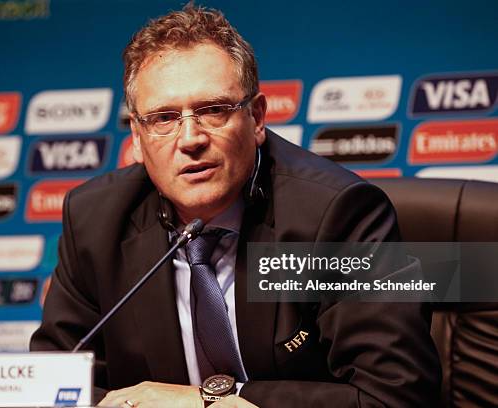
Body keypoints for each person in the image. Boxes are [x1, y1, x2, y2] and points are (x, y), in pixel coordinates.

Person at [31, 4, 440, 407]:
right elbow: (54, 383)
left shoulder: (335, 215)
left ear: (257, 119)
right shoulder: (95, 221)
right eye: (164, 118)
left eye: (213, 111)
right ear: (137, 137)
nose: (190, 138)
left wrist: (209, 401)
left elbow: (394, 395)